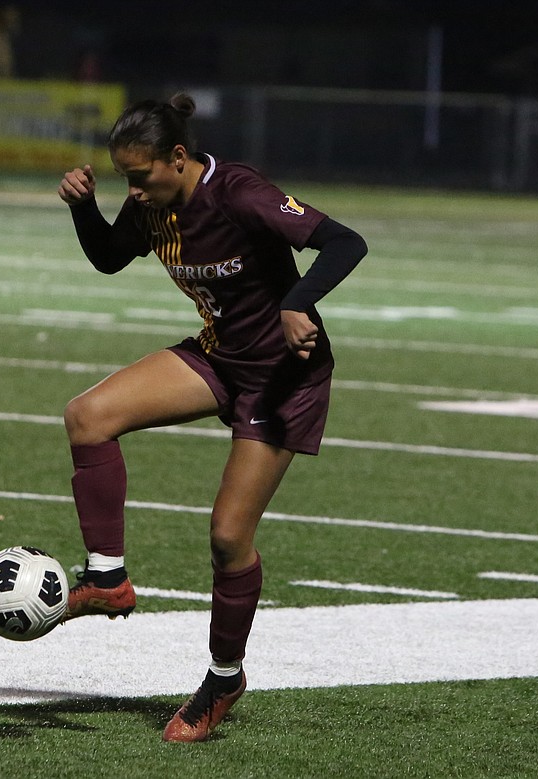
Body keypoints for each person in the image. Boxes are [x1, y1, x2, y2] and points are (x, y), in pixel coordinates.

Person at [56, 93, 367, 742]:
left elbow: (344, 242)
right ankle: (107, 576)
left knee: (228, 537)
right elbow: (112, 255)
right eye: (123, 179)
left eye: (139, 177)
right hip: (219, 355)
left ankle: (224, 677)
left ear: (178, 158)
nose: (132, 191)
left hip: (284, 376)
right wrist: (85, 207)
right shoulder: (154, 200)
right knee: (88, 414)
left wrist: (298, 300)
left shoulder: (241, 193)